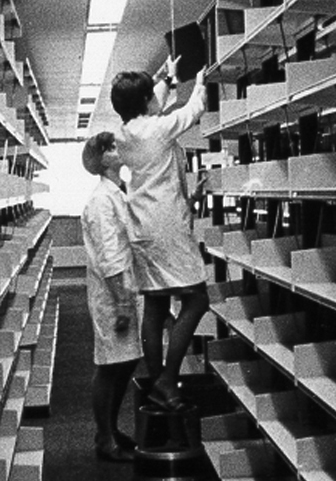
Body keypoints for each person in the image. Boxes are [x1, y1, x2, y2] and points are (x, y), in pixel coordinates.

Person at [110, 57, 209, 410]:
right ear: (144, 101)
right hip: (166, 226)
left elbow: (152, 107)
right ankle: (168, 377)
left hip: (142, 229)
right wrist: (200, 82)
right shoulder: (158, 129)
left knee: (155, 305)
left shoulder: (124, 133)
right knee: (198, 300)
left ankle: (157, 384)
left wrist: (165, 78)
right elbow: (193, 110)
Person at [79, 131, 142, 462]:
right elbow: (109, 254)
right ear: (102, 158)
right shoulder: (102, 201)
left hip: (125, 290)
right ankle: (105, 438)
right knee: (109, 365)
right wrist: (121, 302)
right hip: (112, 293)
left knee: (126, 361)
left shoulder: (120, 191)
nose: (121, 150)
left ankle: (111, 429)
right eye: (113, 147)